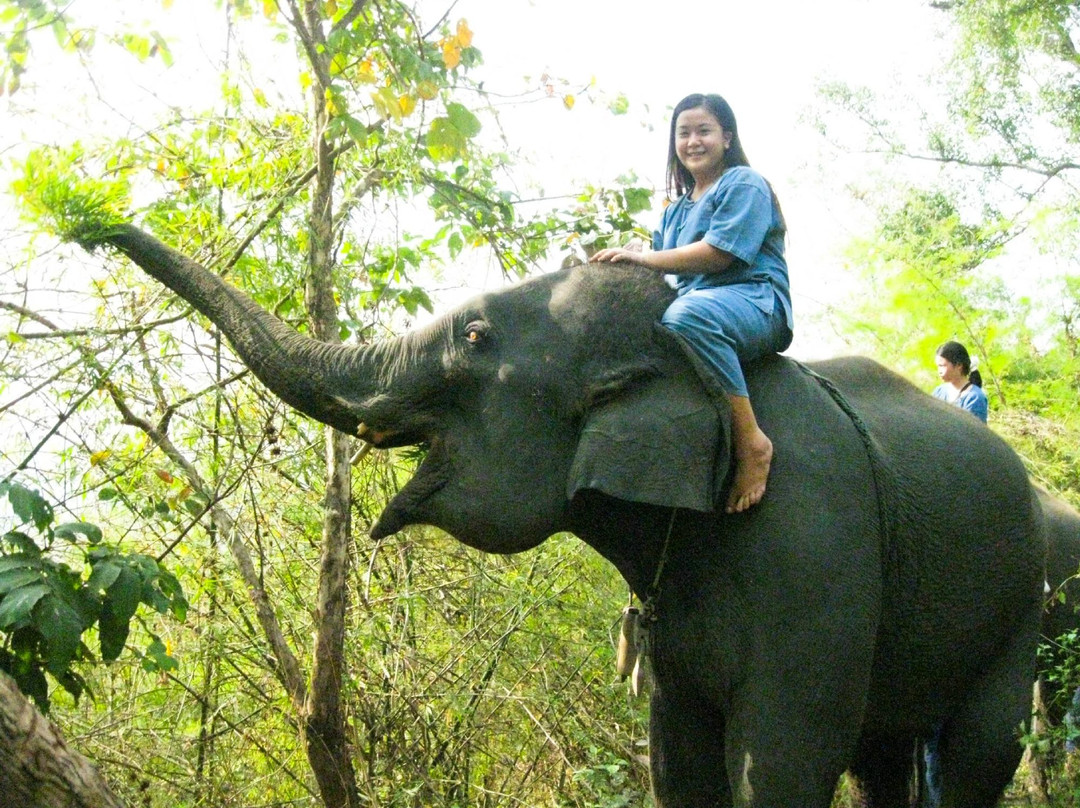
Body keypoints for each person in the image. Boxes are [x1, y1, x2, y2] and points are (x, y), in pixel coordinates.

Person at [590, 92, 793, 514]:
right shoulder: (673, 212)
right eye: (684, 133)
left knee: (686, 316)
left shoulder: (745, 184)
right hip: (693, 308)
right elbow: (661, 273)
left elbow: (721, 253)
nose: (693, 141)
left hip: (753, 302)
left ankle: (752, 443)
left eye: (704, 131)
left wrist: (644, 257)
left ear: (727, 137)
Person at [932, 340, 988, 423]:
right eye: (938, 366)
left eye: (942, 366)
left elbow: (973, 433)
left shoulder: (974, 398)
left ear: (959, 365)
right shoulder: (938, 392)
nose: (939, 371)